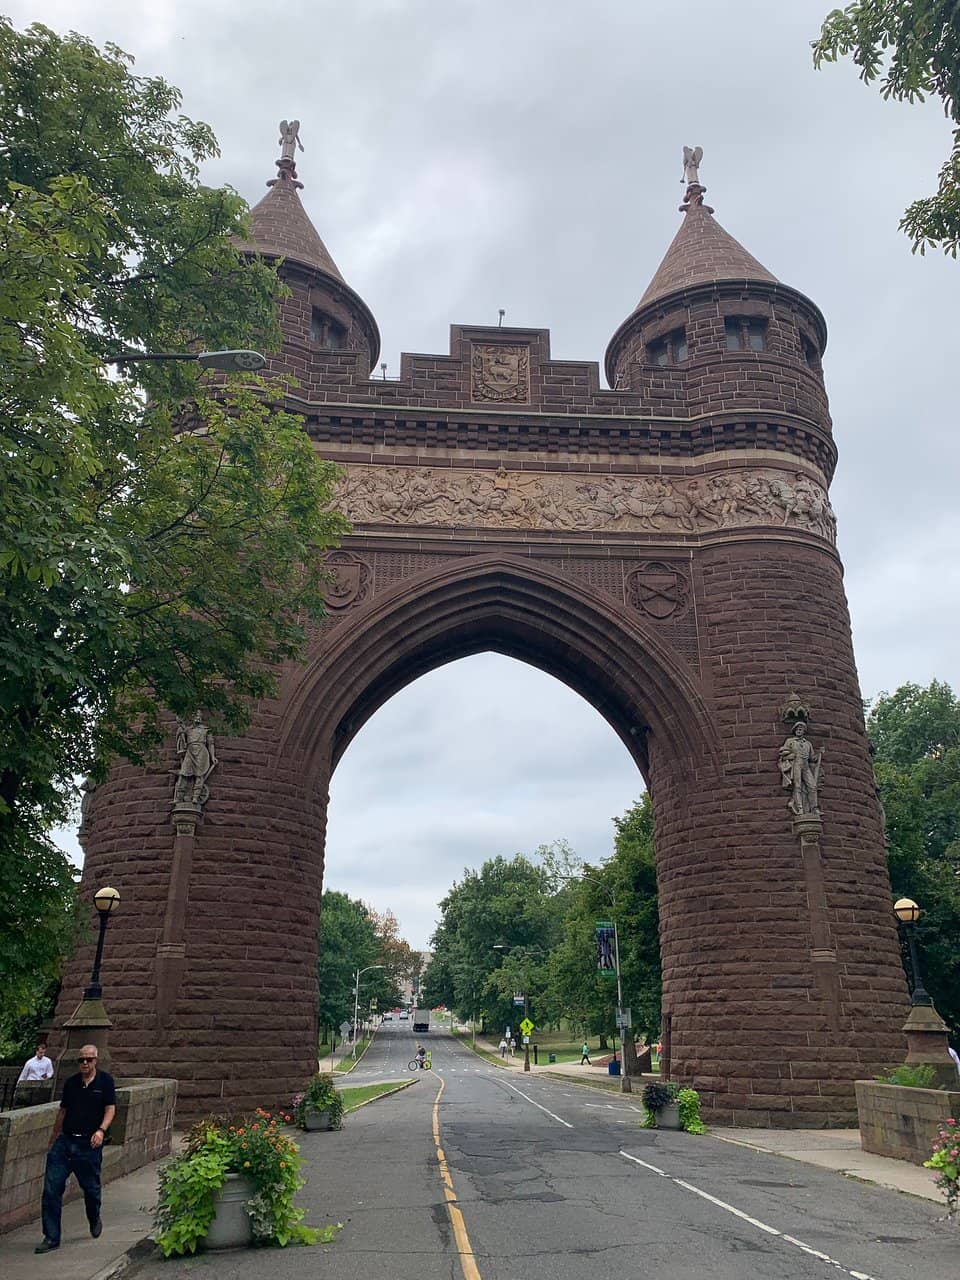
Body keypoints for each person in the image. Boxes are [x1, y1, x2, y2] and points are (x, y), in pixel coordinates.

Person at [35, 1044, 116, 1254]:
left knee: (91, 1188)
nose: (85, 1063)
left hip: (89, 1144)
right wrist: (53, 1138)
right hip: (66, 1141)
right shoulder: (71, 1084)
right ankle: (51, 1236)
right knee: (52, 1189)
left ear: (96, 1060)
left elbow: (110, 1108)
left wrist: (101, 1130)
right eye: (82, 1060)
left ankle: (93, 1216)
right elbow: (63, 1112)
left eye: (89, 1059)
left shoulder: (105, 1082)